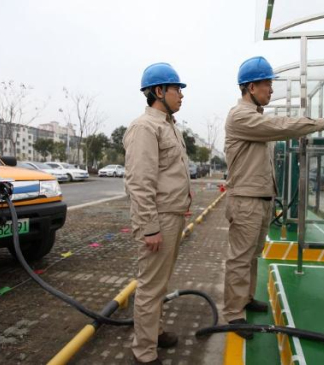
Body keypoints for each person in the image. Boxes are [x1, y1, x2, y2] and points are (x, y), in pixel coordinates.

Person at [223, 56, 324, 339]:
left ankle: (245, 299)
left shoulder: (256, 117)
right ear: (251, 87)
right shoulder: (241, 116)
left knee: (252, 255)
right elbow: (282, 126)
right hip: (245, 200)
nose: (271, 90)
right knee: (240, 258)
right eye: (268, 84)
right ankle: (233, 313)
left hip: (260, 199)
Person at [124, 62, 191, 365]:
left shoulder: (168, 126)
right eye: (177, 88)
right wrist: (150, 227)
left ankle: (156, 331)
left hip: (172, 215)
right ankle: (144, 352)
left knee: (160, 283)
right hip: (158, 218)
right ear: (158, 91)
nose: (181, 94)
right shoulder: (145, 127)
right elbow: (140, 182)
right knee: (150, 287)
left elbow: (169, 175)